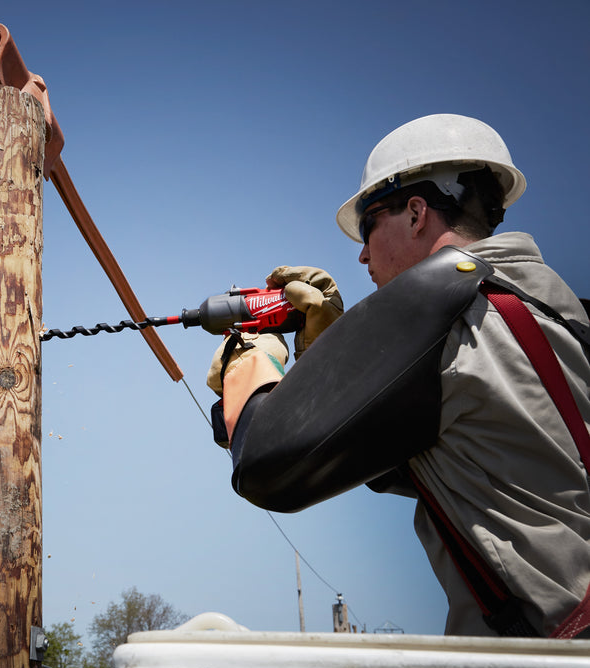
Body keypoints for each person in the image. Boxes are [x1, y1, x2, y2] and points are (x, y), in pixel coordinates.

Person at [209, 114, 590, 638]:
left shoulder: (437, 309)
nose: (362, 253)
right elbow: (398, 457)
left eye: (368, 226)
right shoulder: (558, 312)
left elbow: (266, 468)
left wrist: (249, 361)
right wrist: (329, 354)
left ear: (415, 213)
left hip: (544, 666)